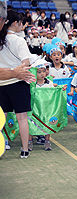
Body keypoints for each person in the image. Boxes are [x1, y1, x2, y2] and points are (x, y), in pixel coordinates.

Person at [0, 10, 32, 158]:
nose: (22, 25)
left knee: (2, 116)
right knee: (22, 118)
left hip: (2, 82)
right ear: (15, 23)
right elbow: (26, 63)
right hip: (18, 82)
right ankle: (25, 149)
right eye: (21, 22)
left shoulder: (1, 38)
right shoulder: (19, 40)